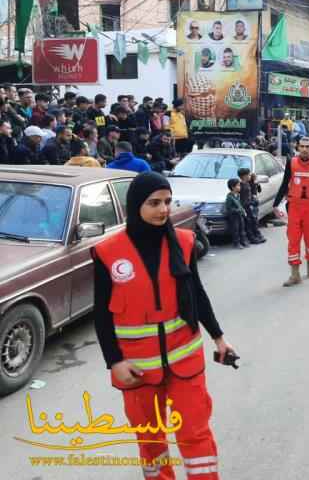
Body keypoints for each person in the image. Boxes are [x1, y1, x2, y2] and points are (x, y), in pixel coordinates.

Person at [92, 172, 234, 480]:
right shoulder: (107, 253)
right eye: (154, 203)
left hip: (185, 362)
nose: (163, 210)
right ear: (136, 206)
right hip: (137, 370)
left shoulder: (183, 243)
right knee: (151, 441)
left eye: (167, 202)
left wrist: (219, 338)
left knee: (195, 435)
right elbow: (102, 315)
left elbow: (197, 293)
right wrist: (114, 361)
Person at [272, 136, 309, 286]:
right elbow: (285, 184)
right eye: (302, 146)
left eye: (307, 146)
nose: (304, 149)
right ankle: (294, 274)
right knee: (293, 240)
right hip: (295, 207)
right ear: (297, 147)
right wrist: (276, 204)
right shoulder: (292, 163)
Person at [237, 168, 266, 244]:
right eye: (248, 174)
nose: (250, 176)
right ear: (244, 176)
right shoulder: (241, 185)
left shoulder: (247, 183)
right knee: (248, 223)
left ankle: (256, 236)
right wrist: (250, 203)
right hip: (246, 206)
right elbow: (243, 198)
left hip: (250, 205)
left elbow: (255, 190)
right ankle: (251, 238)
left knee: (254, 221)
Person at [224, 178, 250, 249]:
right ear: (233, 187)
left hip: (240, 215)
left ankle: (243, 241)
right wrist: (237, 210)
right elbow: (229, 208)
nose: (240, 187)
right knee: (236, 229)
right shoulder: (229, 197)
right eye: (238, 186)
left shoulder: (238, 195)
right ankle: (236, 243)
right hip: (234, 216)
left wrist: (243, 210)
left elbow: (240, 204)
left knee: (242, 228)